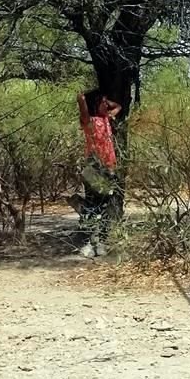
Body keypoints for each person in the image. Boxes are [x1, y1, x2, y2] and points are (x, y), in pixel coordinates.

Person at [77, 89, 122, 258]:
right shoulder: (90, 122)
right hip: (94, 167)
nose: (106, 104)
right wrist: (84, 100)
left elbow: (118, 106)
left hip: (108, 168)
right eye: (102, 101)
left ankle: (101, 241)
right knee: (91, 205)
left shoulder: (106, 119)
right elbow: (82, 106)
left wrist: (107, 101)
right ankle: (89, 242)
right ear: (95, 104)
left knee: (104, 206)